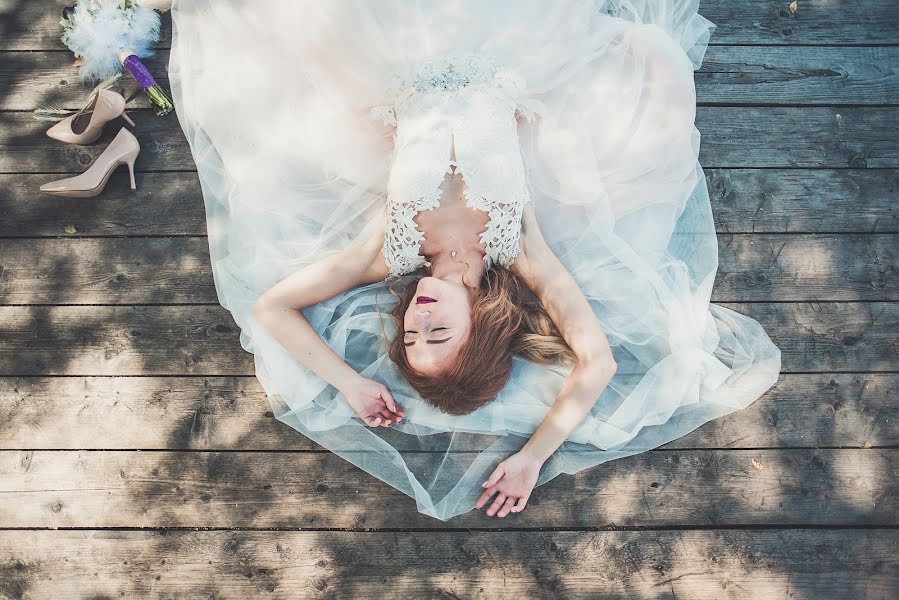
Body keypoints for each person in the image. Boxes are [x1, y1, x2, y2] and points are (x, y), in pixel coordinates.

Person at [169, 0, 782, 521]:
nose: (420, 316)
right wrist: (532, 456)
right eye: (440, 331)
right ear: (482, 327)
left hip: (399, 62)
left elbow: (271, 308)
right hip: (504, 56)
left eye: (411, 333)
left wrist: (350, 383)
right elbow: (596, 363)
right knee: (653, 61)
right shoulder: (522, 251)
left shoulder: (387, 251)